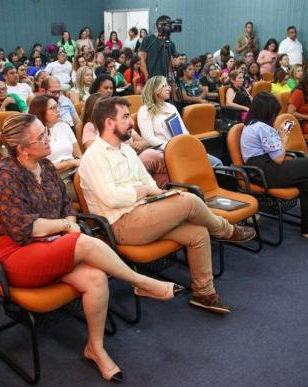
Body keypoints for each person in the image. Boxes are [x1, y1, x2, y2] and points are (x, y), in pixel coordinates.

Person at [0, 112, 182, 382]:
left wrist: (67, 222)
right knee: (81, 241)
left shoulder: (47, 166)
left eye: (46, 131)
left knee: (96, 278)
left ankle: (95, 348)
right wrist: (66, 227)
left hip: (50, 245)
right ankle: (142, 281)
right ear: (22, 149)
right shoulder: (2, 176)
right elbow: (24, 229)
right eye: (41, 136)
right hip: (15, 254)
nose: (48, 138)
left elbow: (67, 208)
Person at [80, 96, 256, 314]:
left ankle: (204, 294)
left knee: (198, 232)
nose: (131, 122)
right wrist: (145, 192)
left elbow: (149, 182)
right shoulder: (94, 156)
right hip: (121, 225)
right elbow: (114, 199)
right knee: (190, 200)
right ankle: (225, 230)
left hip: (144, 212)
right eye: (125, 117)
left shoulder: (125, 150)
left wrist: (159, 195)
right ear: (108, 122)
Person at [241, 92, 308, 244]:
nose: (275, 115)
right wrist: (284, 137)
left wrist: (277, 136)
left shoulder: (252, 125)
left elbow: (271, 152)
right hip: (265, 171)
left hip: (260, 170)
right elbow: (279, 158)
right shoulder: (262, 127)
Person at [81, 92, 168, 188]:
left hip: (133, 158)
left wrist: (141, 145)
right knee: (153, 155)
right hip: (118, 165)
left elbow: (144, 142)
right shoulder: (91, 127)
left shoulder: (124, 128)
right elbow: (94, 149)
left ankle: (174, 189)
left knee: (162, 171)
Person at [138, 76, 223, 167]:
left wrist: (188, 144)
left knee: (216, 162)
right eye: (164, 86)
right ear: (155, 89)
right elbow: (148, 138)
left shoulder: (171, 107)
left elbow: (184, 131)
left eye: (168, 86)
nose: (168, 88)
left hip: (181, 147)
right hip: (164, 151)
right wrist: (172, 147)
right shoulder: (145, 110)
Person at [28, 95, 82, 200]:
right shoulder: (35, 135)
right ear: (41, 112)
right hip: (54, 178)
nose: (58, 110)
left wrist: (78, 164)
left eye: (57, 106)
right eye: (52, 108)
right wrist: (70, 163)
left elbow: (79, 155)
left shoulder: (64, 126)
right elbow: (40, 167)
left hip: (75, 172)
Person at [139, 15, 177, 80]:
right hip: (151, 77)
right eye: (165, 26)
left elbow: (171, 63)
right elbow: (141, 59)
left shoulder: (171, 44)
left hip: (165, 79)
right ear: (158, 26)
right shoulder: (148, 39)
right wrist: (146, 75)